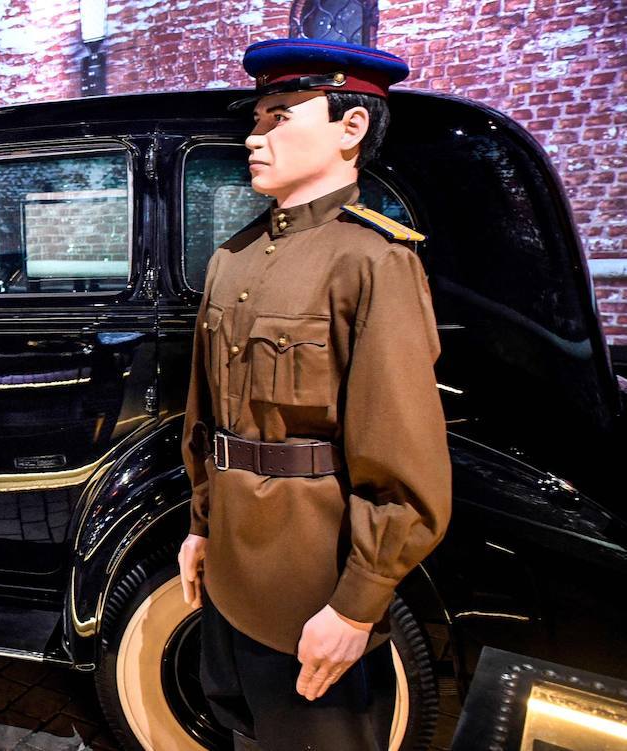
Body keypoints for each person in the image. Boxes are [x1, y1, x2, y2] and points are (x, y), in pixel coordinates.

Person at [177, 38, 453, 750]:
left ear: (351, 128)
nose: (255, 134)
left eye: (279, 116)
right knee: (241, 732)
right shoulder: (231, 258)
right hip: (231, 578)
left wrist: (357, 605)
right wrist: (201, 524)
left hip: (311, 587)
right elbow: (208, 418)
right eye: (257, 117)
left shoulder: (373, 262)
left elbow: (401, 462)